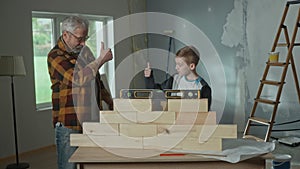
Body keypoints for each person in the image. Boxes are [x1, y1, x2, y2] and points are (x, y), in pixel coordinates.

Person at [47, 15, 113, 169]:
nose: (83, 43)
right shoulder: (55, 56)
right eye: (79, 38)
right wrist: (99, 61)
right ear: (65, 35)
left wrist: (109, 100)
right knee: (69, 166)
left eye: (85, 37)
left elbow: (95, 79)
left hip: (91, 120)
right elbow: (76, 79)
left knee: (90, 164)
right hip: (70, 123)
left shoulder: (84, 51)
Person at [144, 45, 212, 110]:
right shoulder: (174, 79)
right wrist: (149, 77)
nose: (176, 67)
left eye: (180, 65)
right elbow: (157, 92)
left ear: (192, 66)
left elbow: (204, 113)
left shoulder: (203, 88)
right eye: (176, 64)